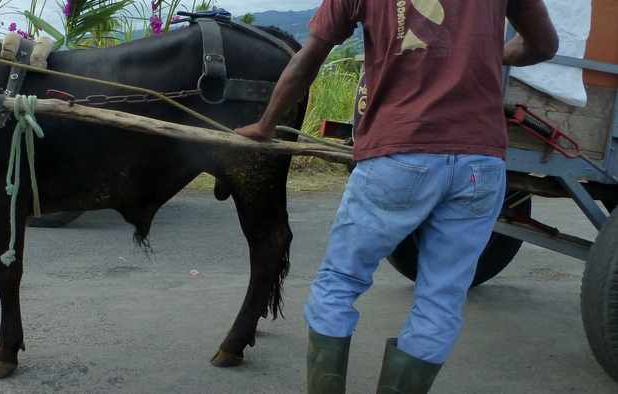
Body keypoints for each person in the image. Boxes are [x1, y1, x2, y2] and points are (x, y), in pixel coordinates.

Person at [235, 0, 558, 392]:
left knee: (339, 281)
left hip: (400, 153)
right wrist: (491, 53)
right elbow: (543, 45)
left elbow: (310, 56)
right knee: (441, 299)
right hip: (480, 163)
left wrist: (266, 125)